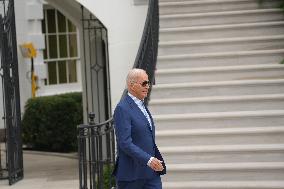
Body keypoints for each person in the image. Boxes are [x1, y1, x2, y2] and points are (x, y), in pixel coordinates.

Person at [112, 68, 166, 189]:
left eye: (148, 83)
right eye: (144, 83)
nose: (147, 86)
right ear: (131, 85)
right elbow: (125, 143)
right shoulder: (122, 108)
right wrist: (149, 160)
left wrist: (153, 160)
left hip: (150, 174)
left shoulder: (142, 105)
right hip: (132, 176)